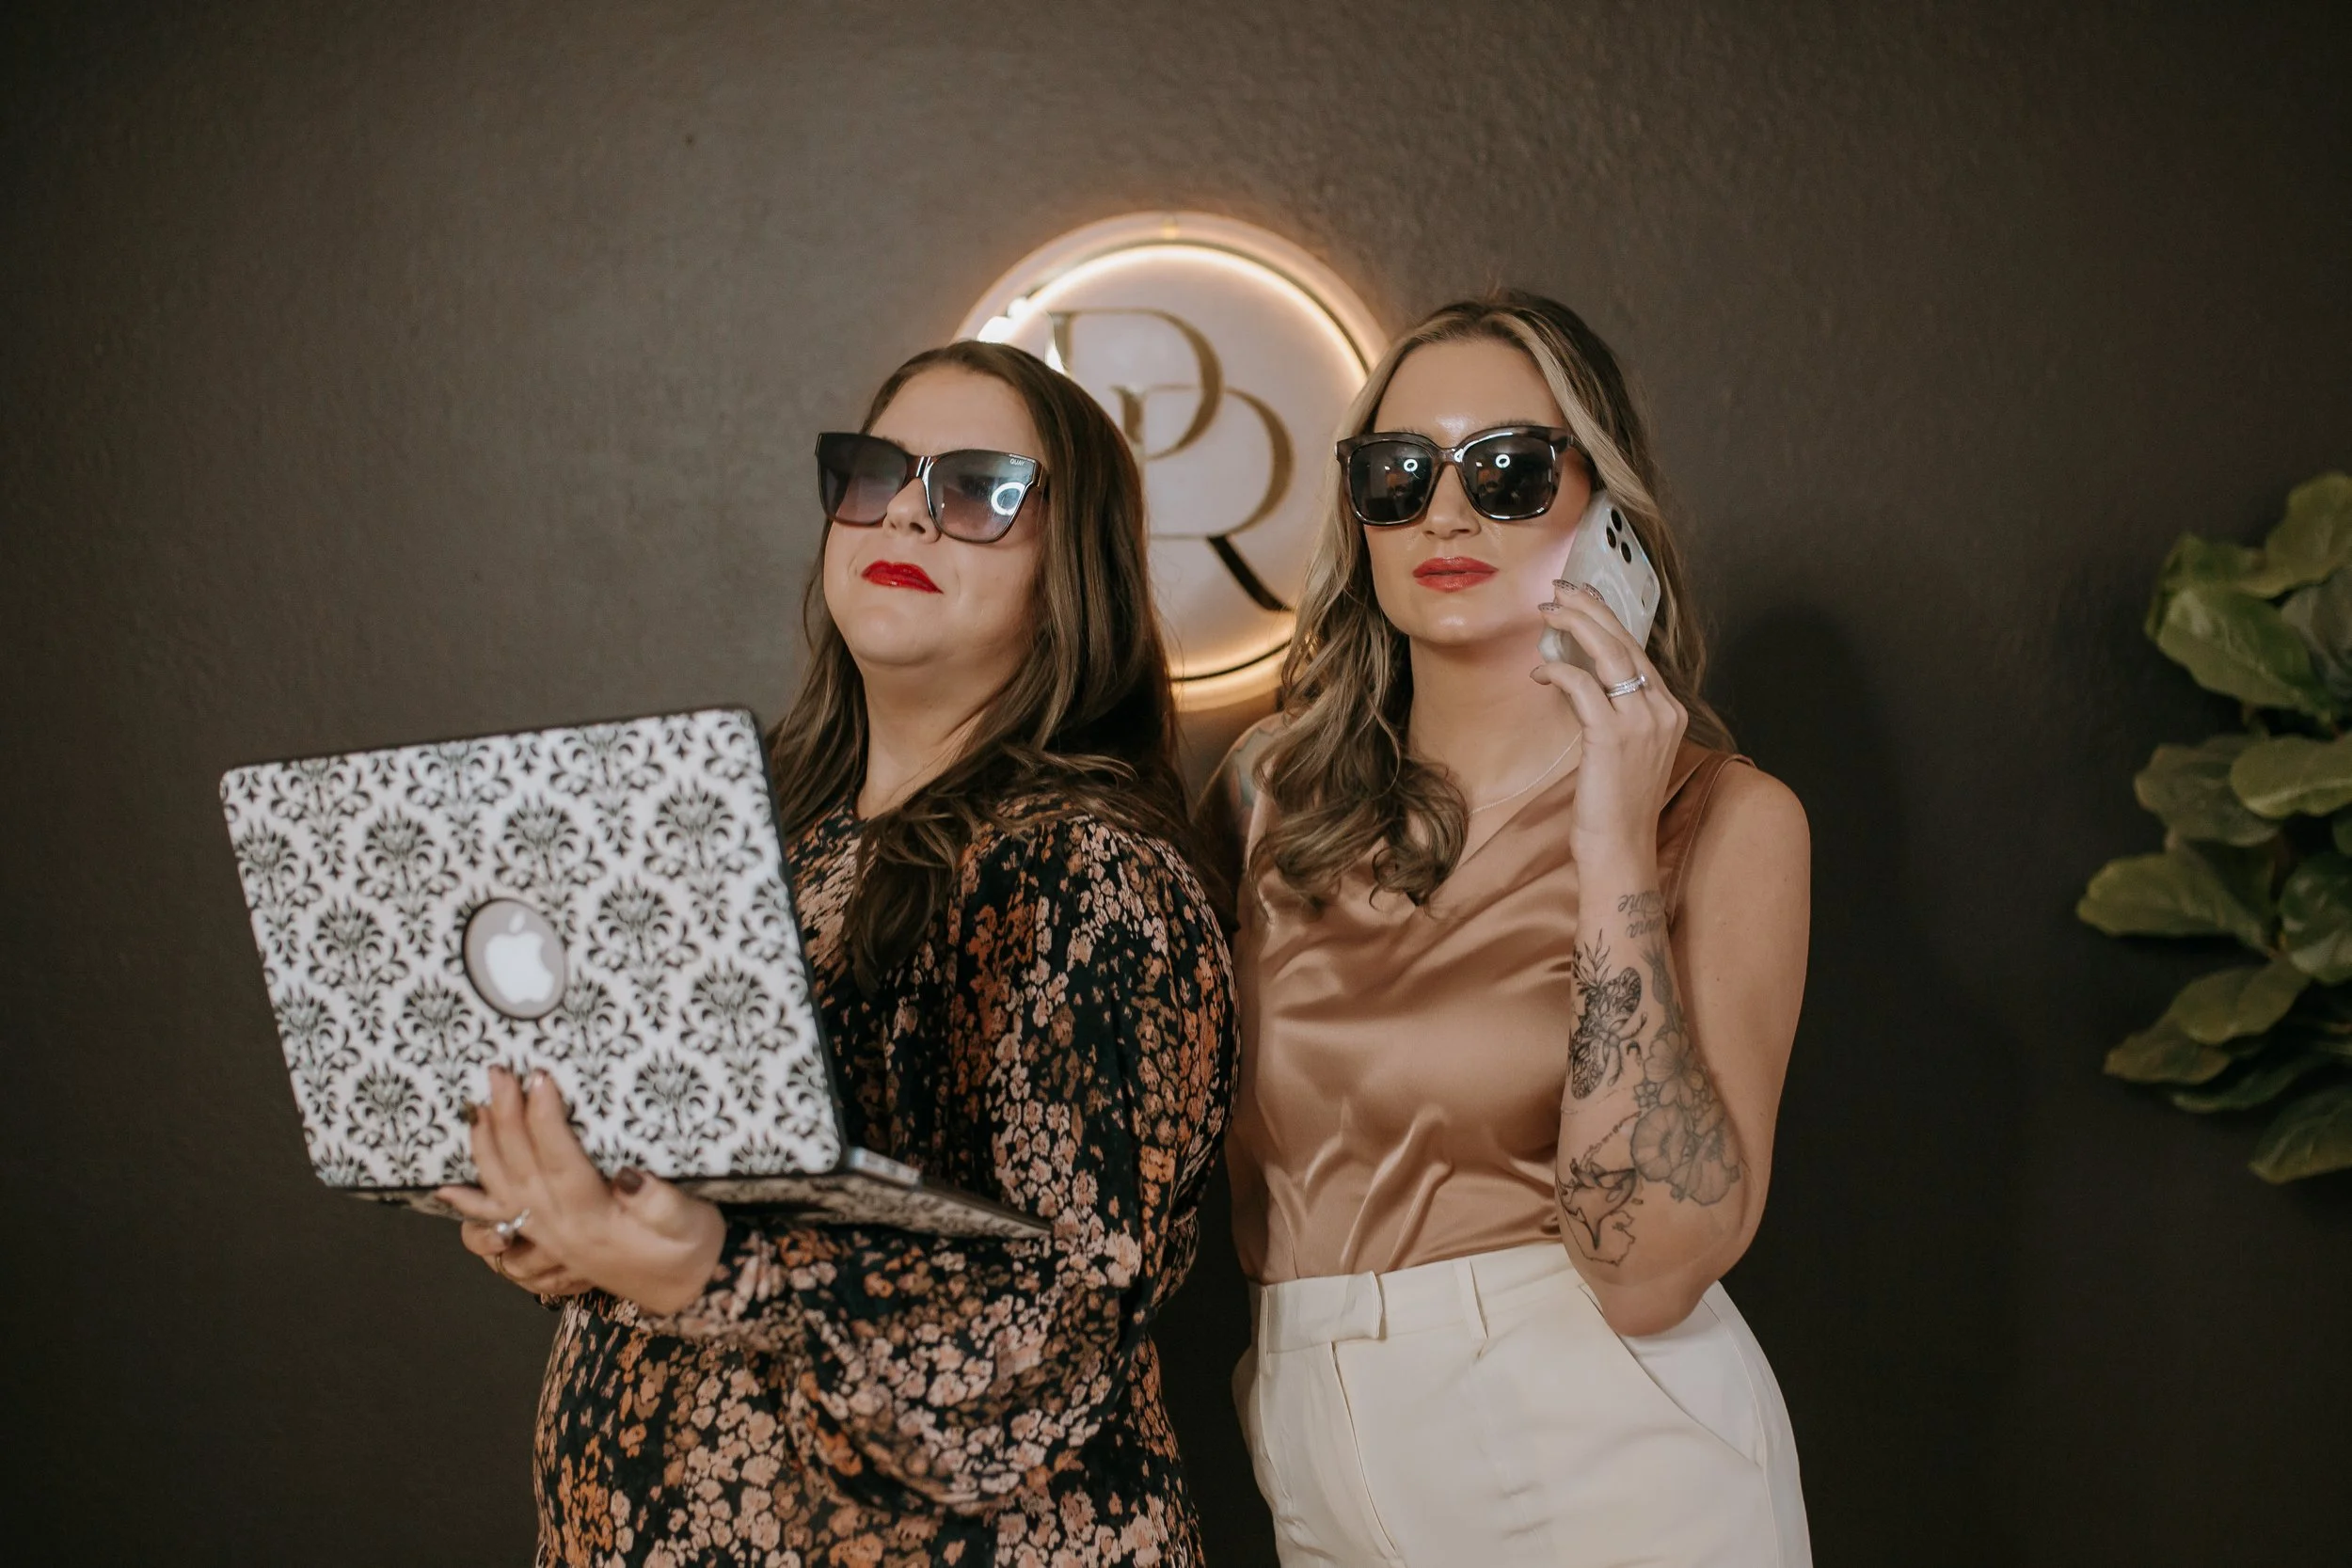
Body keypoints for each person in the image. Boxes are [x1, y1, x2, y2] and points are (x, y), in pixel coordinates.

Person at [437, 340, 1237, 1566]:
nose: (908, 509)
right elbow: (671, 1198)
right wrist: (567, 1228)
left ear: (1070, 571)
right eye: (873, 474)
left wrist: (706, 1265)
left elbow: (1060, 1319)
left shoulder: (1093, 879)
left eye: (977, 489)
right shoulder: (752, 848)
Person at [1209, 291, 1813, 1566]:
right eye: (1400, 472)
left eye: (1508, 470)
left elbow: (1650, 1266)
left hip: (1600, 1453)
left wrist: (1609, 843)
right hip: (1319, 1460)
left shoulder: (1726, 817)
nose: (1446, 512)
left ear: (1608, 513)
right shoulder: (1270, 798)